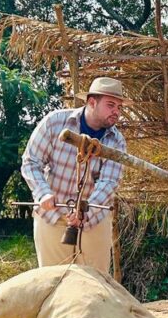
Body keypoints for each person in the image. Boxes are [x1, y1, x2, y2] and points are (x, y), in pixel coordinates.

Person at [21, 77, 128, 273]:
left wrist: (84, 212)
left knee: (96, 284)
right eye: (111, 105)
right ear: (91, 102)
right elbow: (31, 162)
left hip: (93, 219)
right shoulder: (55, 122)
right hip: (52, 214)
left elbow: (109, 182)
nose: (116, 111)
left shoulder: (117, 141)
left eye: (119, 107)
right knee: (52, 281)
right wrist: (43, 193)